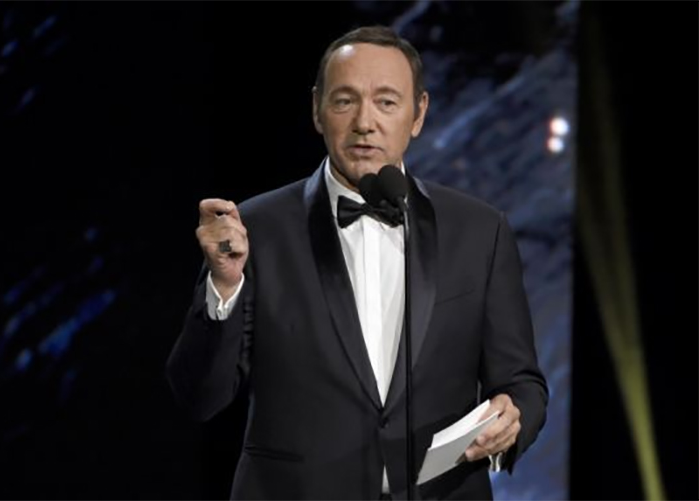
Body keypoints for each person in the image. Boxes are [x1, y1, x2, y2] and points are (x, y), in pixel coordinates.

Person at [166, 25, 548, 500]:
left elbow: (522, 383)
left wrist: (514, 415)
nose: (365, 122)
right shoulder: (255, 229)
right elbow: (199, 396)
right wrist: (223, 288)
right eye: (345, 101)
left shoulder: (479, 231)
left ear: (418, 114)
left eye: (386, 102)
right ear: (317, 110)